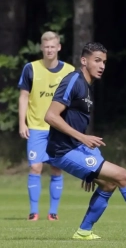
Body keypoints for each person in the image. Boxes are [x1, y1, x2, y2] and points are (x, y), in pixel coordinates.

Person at [44, 42, 126, 240]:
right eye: (97, 60)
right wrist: (83, 138)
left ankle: (84, 231)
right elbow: (51, 116)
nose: (102, 65)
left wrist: (90, 170)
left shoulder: (87, 87)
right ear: (84, 61)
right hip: (62, 151)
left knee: (109, 184)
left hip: (77, 148)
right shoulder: (74, 80)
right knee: (123, 176)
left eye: (104, 62)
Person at [18, 31, 75, 221]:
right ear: (42, 48)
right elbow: (24, 96)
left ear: (59, 47)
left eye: (53, 46)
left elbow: (75, 100)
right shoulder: (30, 68)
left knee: (57, 168)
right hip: (36, 127)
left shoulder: (69, 70)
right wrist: (22, 123)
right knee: (35, 167)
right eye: (46, 47)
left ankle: (53, 212)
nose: (50, 50)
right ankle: (34, 211)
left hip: (58, 128)